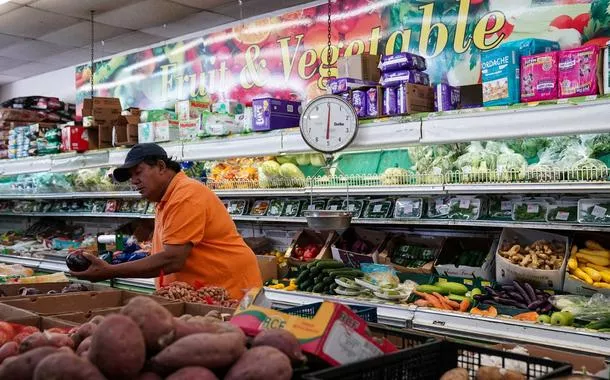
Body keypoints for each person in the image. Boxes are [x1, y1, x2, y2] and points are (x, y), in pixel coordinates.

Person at [70, 143, 263, 299]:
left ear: (161, 167)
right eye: (131, 177)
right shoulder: (165, 198)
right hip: (204, 292)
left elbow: (173, 259)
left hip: (230, 293)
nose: (134, 181)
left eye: (139, 172)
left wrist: (110, 271)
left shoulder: (185, 195)